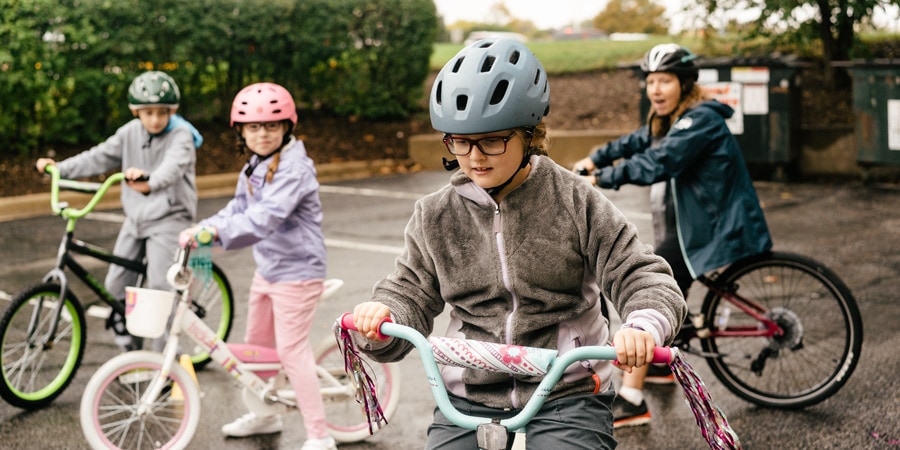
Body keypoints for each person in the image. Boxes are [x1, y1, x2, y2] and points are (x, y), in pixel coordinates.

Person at [348, 38, 686, 450]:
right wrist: (382, 320)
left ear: (531, 134)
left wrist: (643, 325)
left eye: (491, 140)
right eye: (459, 140)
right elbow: (410, 292)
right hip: (467, 398)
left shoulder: (576, 200)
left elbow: (641, 274)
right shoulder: (435, 214)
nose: (474, 157)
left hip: (566, 393)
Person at [572, 43, 773, 428]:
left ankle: (631, 398)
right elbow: (636, 142)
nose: (656, 90)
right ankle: (662, 363)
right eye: (650, 82)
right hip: (695, 226)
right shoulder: (671, 119)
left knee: (652, 286)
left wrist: (600, 178)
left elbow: (659, 161)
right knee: (668, 283)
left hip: (713, 227)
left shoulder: (700, 121)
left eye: (664, 81)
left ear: (684, 83)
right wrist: (596, 157)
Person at [178, 82, 334, 450]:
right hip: (269, 269)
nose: (262, 134)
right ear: (241, 132)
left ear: (286, 128)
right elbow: (237, 210)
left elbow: (263, 218)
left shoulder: (294, 169)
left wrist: (213, 234)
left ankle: (320, 435)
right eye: (253, 127)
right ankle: (265, 414)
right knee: (259, 348)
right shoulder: (255, 165)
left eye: (271, 126)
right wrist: (204, 228)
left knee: (292, 352)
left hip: (298, 273)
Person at [36, 70, 202, 352]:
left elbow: (171, 169)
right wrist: (59, 168)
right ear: (135, 111)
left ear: (171, 111)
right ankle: (131, 352)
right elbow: (98, 157)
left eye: (162, 112)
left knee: (161, 289)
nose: (155, 119)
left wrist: (149, 181)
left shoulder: (181, 135)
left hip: (169, 218)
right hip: (136, 218)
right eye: (147, 112)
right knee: (115, 285)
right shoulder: (130, 133)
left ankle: (164, 363)